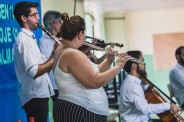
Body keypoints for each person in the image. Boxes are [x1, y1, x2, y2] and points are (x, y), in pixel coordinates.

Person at [52, 14, 130, 122]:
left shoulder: (62, 49)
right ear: (80, 34)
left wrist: (109, 60)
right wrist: (118, 66)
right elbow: (94, 81)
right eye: (85, 33)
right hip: (80, 111)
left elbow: (93, 72)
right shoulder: (72, 54)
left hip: (77, 109)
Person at [13, 2, 55, 122]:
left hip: (40, 95)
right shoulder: (23, 41)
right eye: (35, 14)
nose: (38, 18)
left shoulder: (30, 38)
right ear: (24, 18)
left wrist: (54, 53)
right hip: (34, 98)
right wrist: (53, 58)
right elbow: (34, 71)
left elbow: (44, 65)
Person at [119, 50, 179, 122]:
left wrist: (144, 83)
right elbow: (145, 109)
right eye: (142, 62)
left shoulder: (133, 82)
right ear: (134, 65)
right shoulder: (133, 86)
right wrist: (169, 106)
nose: (144, 65)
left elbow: (145, 95)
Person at [39, 10, 63, 101]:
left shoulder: (60, 38)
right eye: (60, 22)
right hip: (55, 83)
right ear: (53, 23)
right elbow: (48, 63)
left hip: (65, 80)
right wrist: (56, 50)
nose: (62, 24)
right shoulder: (43, 41)